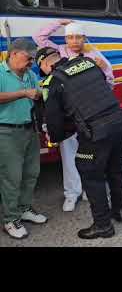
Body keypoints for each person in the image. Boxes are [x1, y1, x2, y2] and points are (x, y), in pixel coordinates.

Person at [37, 47, 122, 239]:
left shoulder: (53, 81)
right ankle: (119, 211)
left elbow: (54, 121)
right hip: (119, 124)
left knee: (90, 175)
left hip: (95, 133)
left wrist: (56, 138)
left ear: (45, 65)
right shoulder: (87, 63)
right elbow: (101, 88)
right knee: (116, 170)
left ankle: (103, 225)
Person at [33, 20, 114, 212]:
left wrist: (102, 67)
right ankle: (71, 194)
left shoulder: (94, 54)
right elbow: (39, 38)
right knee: (69, 156)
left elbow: (110, 81)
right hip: (68, 116)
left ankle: (89, 189)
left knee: (91, 155)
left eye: (78, 37)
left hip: (90, 115)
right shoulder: (60, 51)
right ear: (65, 39)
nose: (74, 41)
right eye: (70, 37)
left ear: (84, 38)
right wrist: (59, 22)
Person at [0, 39, 48, 240]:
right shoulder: (1, 73)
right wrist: (22, 93)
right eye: (28, 58)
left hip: (30, 130)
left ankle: (24, 209)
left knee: (31, 173)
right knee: (12, 177)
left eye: (33, 59)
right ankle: (10, 219)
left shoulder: (30, 74)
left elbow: (41, 93)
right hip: (7, 132)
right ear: (13, 54)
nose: (31, 62)